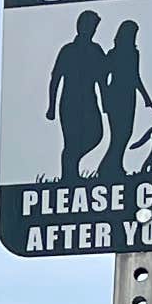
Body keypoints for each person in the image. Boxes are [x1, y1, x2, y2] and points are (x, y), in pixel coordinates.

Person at [47, 10, 110, 186]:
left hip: (90, 100)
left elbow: (102, 79)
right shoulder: (68, 50)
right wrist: (51, 106)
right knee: (71, 140)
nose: (92, 30)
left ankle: (71, 169)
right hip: (69, 101)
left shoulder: (96, 50)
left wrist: (106, 104)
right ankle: (69, 177)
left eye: (94, 27)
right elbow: (56, 78)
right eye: (90, 26)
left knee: (96, 134)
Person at [97, 16, 149, 182]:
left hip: (129, 96)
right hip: (116, 95)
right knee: (118, 135)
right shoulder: (113, 54)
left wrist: (145, 97)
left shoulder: (134, 53)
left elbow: (135, 76)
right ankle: (107, 168)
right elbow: (103, 77)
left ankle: (115, 166)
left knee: (125, 133)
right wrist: (105, 98)